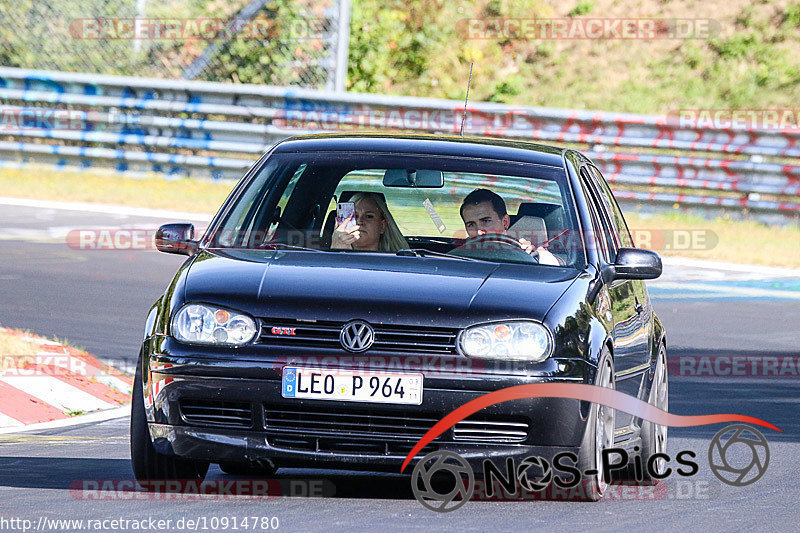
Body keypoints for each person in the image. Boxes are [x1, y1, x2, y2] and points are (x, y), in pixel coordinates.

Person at [457, 188, 563, 266]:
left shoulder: (530, 252)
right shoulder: (458, 255)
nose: (479, 232)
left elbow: (559, 271)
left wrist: (536, 255)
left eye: (486, 221)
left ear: (505, 222)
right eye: (471, 224)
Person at [331, 192, 408, 252]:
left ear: (382, 226)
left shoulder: (398, 261)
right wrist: (336, 249)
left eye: (369, 216)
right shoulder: (322, 258)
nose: (359, 222)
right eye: (354, 216)